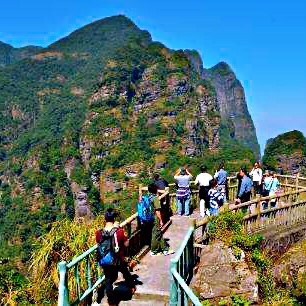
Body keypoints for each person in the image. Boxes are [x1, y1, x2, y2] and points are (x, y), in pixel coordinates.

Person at [96, 208, 135, 306]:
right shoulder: (119, 231)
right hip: (117, 259)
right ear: (114, 219)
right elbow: (126, 244)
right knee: (125, 272)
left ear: (105, 219)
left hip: (105, 260)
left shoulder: (99, 233)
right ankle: (131, 287)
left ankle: (112, 302)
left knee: (108, 280)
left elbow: (99, 245)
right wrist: (118, 229)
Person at [144, 184, 174, 256]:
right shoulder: (155, 198)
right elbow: (157, 211)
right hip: (154, 218)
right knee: (156, 234)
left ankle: (165, 249)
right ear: (155, 190)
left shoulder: (147, 197)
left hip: (148, 218)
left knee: (158, 233)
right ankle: (154, 251)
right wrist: (161, 220)